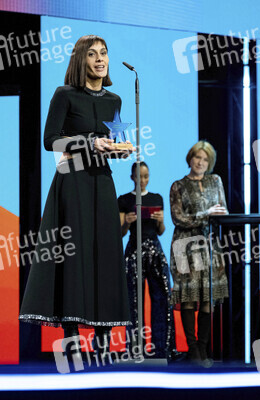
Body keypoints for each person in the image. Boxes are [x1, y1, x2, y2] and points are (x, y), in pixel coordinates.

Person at [19, 35, 134, 361]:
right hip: (72, 184)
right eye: (93, 54)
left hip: (101, 184)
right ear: (81, 60)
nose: (100, 59)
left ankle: (102, 343)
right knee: (74, 257)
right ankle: (71, 342)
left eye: (104, 53)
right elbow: (50, 140)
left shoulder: (115, 99)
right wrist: (89, 142)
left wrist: (119, 150)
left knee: (104, 254)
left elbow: (113, 144)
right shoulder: (64, 94)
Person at [170, 141, 229, 366]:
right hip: (186, 247)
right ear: (190, 159)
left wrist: (216, 214)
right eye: (197, 158)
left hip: (210, 247)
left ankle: (203, 349)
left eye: (205, 159)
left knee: (207, 300)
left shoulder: (216, 181)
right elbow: (179, 219)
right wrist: (206, 214)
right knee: (188, 299)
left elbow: (222, 209)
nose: (200, 162)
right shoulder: (178, 185)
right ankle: (192, 349)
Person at [118, 162, 179, 359]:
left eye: (146, 176)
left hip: (154, 249)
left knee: (162, 299)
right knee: (134, 303)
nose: (143, 180)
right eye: (139, 176)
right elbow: (120, 233)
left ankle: (163, 348)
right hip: (133, 250)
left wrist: (161, 220)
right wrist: (126, 222)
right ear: (132, 178)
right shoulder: (124, 200)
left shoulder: (156, 198)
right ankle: (136, 349)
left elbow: (161, 231)